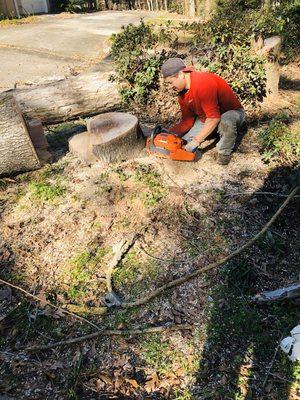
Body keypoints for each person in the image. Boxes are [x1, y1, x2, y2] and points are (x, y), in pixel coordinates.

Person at [161, 58, 245, 165]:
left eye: (171, 82)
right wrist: (169, 133)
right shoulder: (182, 95)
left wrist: (197, 140)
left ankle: (224, 153)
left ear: (181, 74)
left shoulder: (202, 82)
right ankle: (213, 133)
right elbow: (187, 121)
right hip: (207, 119)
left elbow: (214, 118)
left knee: (226, 121)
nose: (170, 87)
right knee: (183, 141)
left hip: (231, 113)